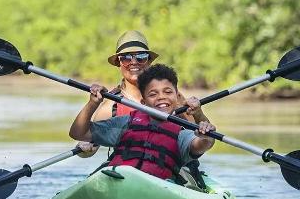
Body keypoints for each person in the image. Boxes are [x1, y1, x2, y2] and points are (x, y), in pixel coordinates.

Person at [69, 63, 216, 182]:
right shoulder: (125, 124)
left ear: (177, 97)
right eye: (153, 94)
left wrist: (205, 130)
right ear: (143, 102)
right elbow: (77, 133)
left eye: (168, 92)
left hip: (158, 189)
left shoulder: (181, 133)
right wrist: (92, 103)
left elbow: (203, 144)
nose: (161, 97)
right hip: (119, 181)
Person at [76, 30, 210, 156]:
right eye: (126, 58)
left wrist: (199, 113)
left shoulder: (170, 98)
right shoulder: (110, 105)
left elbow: (200, 135)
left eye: (141, 57)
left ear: (149, 61)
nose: (134, 62)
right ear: (119, 62)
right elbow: (89, 141)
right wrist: (85, 149)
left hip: (173, 165)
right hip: (129, 166)